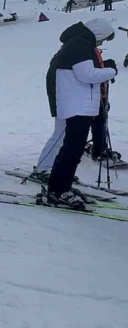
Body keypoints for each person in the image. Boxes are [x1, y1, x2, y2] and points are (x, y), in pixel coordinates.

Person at [42, 19, 117, 209]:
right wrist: (111, 71)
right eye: (103, 39)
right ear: (98, 32)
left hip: (80, 105)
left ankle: (62, 187)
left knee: (73, 150)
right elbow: (87, 75)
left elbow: (85, 73)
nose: (101, 43)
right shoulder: (79, 44)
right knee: (71, 150)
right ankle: (57, 190)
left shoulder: (80, 43)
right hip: (76, 105)